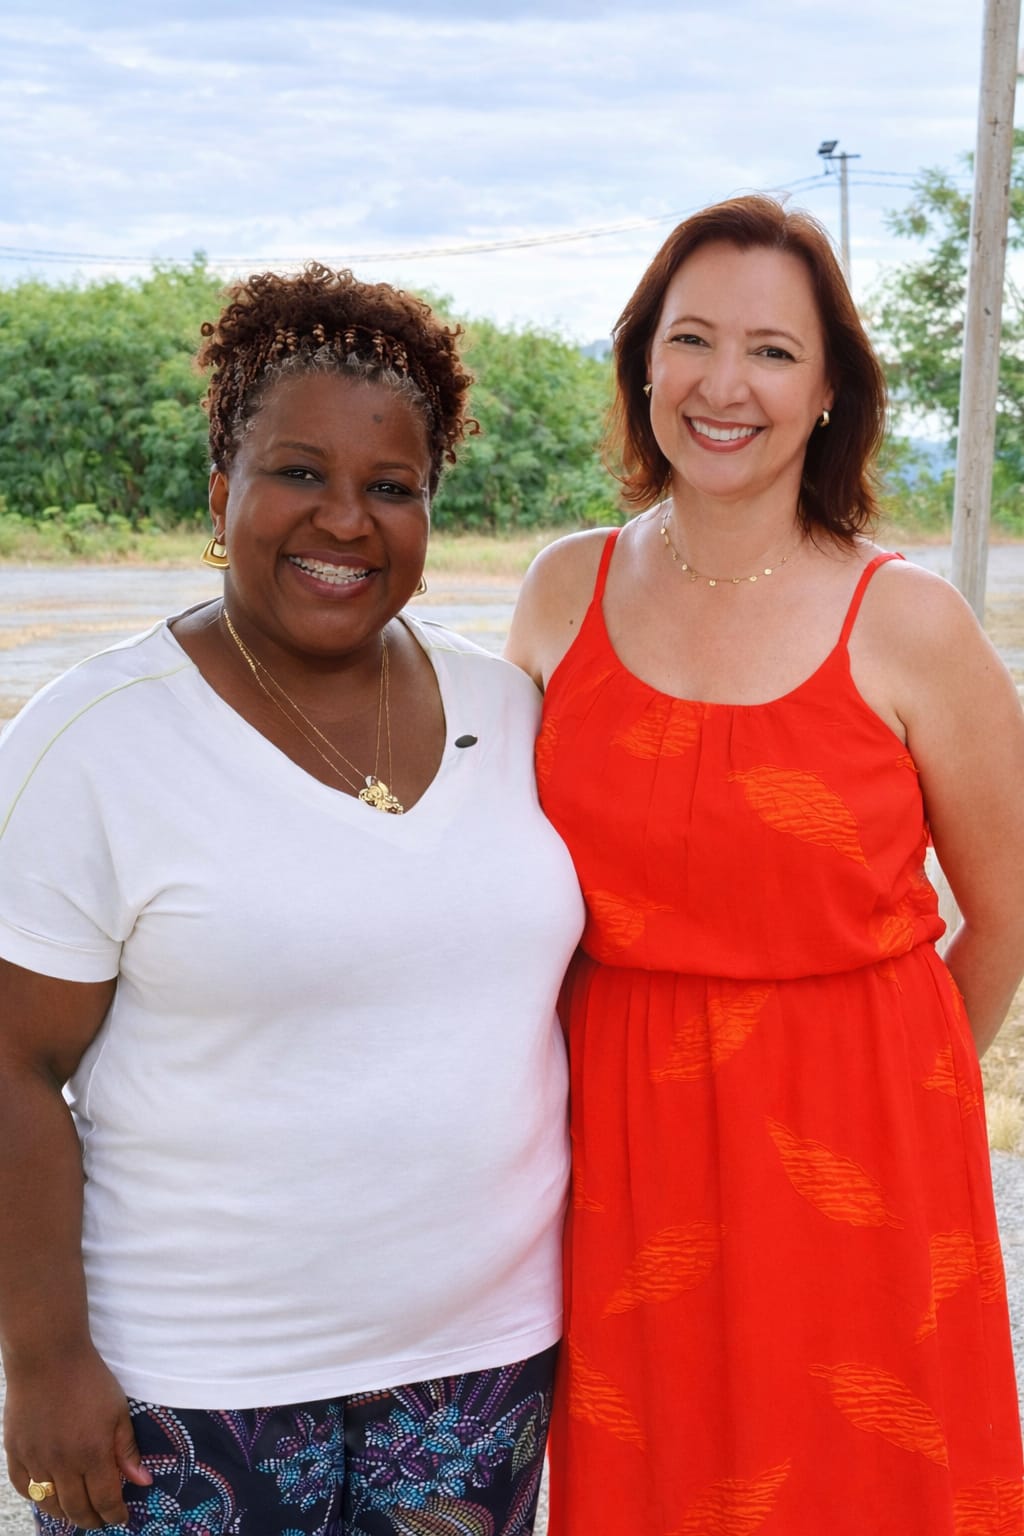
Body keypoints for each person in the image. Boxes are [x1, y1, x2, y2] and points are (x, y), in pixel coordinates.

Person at [0, 264, 584, 1536]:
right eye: (297, 474)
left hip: (477, 1375)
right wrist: (41, 1359)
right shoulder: (93, 737)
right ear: (221, 496)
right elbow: (13, 1062)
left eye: (391, 488)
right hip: (189, 1386)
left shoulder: (512, 712)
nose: (345, 521)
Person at [505, 195, 1024, 1534]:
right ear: (641, 363)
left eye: (774, 351)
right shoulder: (562, 593)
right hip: (626, 1149)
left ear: (831, 388)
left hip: (866, 1150)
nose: (724, 385)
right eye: (691, 339)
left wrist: (884, 1100)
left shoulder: (911, 621)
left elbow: (1010, 914)